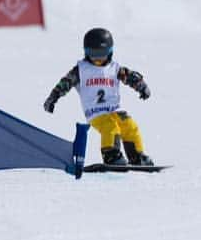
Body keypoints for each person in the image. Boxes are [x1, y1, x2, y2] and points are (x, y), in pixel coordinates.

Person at [43, 28, 155, 166]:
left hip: (115, 109)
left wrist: (141, 86)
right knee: (110, 127)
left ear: (110, 52)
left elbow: (131, 77)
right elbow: (64, 83)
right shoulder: (81, 70)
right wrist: (53, 98)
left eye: (101, 55)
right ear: (86, 52)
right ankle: (111, 155)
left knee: (129, 125)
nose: (97, 60)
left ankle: (137, 156)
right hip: (95, 112)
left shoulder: (115, 68)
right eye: (93, 55)